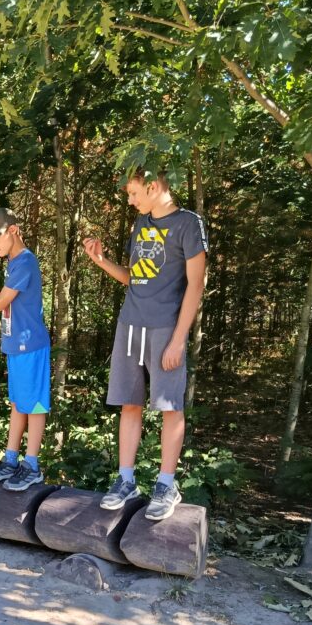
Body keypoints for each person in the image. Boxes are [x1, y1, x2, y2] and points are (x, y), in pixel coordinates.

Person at [83, 170, 208, 521]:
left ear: (153, 187)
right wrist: (101, 261)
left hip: (166, 327)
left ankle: (166, 485)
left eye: (134, 193)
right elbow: (134, 277)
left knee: (169, 406)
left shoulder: (188, 224)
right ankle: (126, 480)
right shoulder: (141, 223)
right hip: (130, 324)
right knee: (129, 403)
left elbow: (196, 284)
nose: (130, 200)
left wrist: (178, 339)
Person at [0, 208, 51, 491]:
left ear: (13, 231)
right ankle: (11, 459)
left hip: (30, 345)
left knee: (35, 404)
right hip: (16, 344)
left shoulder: (25, 262)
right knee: (19, 403)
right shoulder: (13, 262)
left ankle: (31, 465)